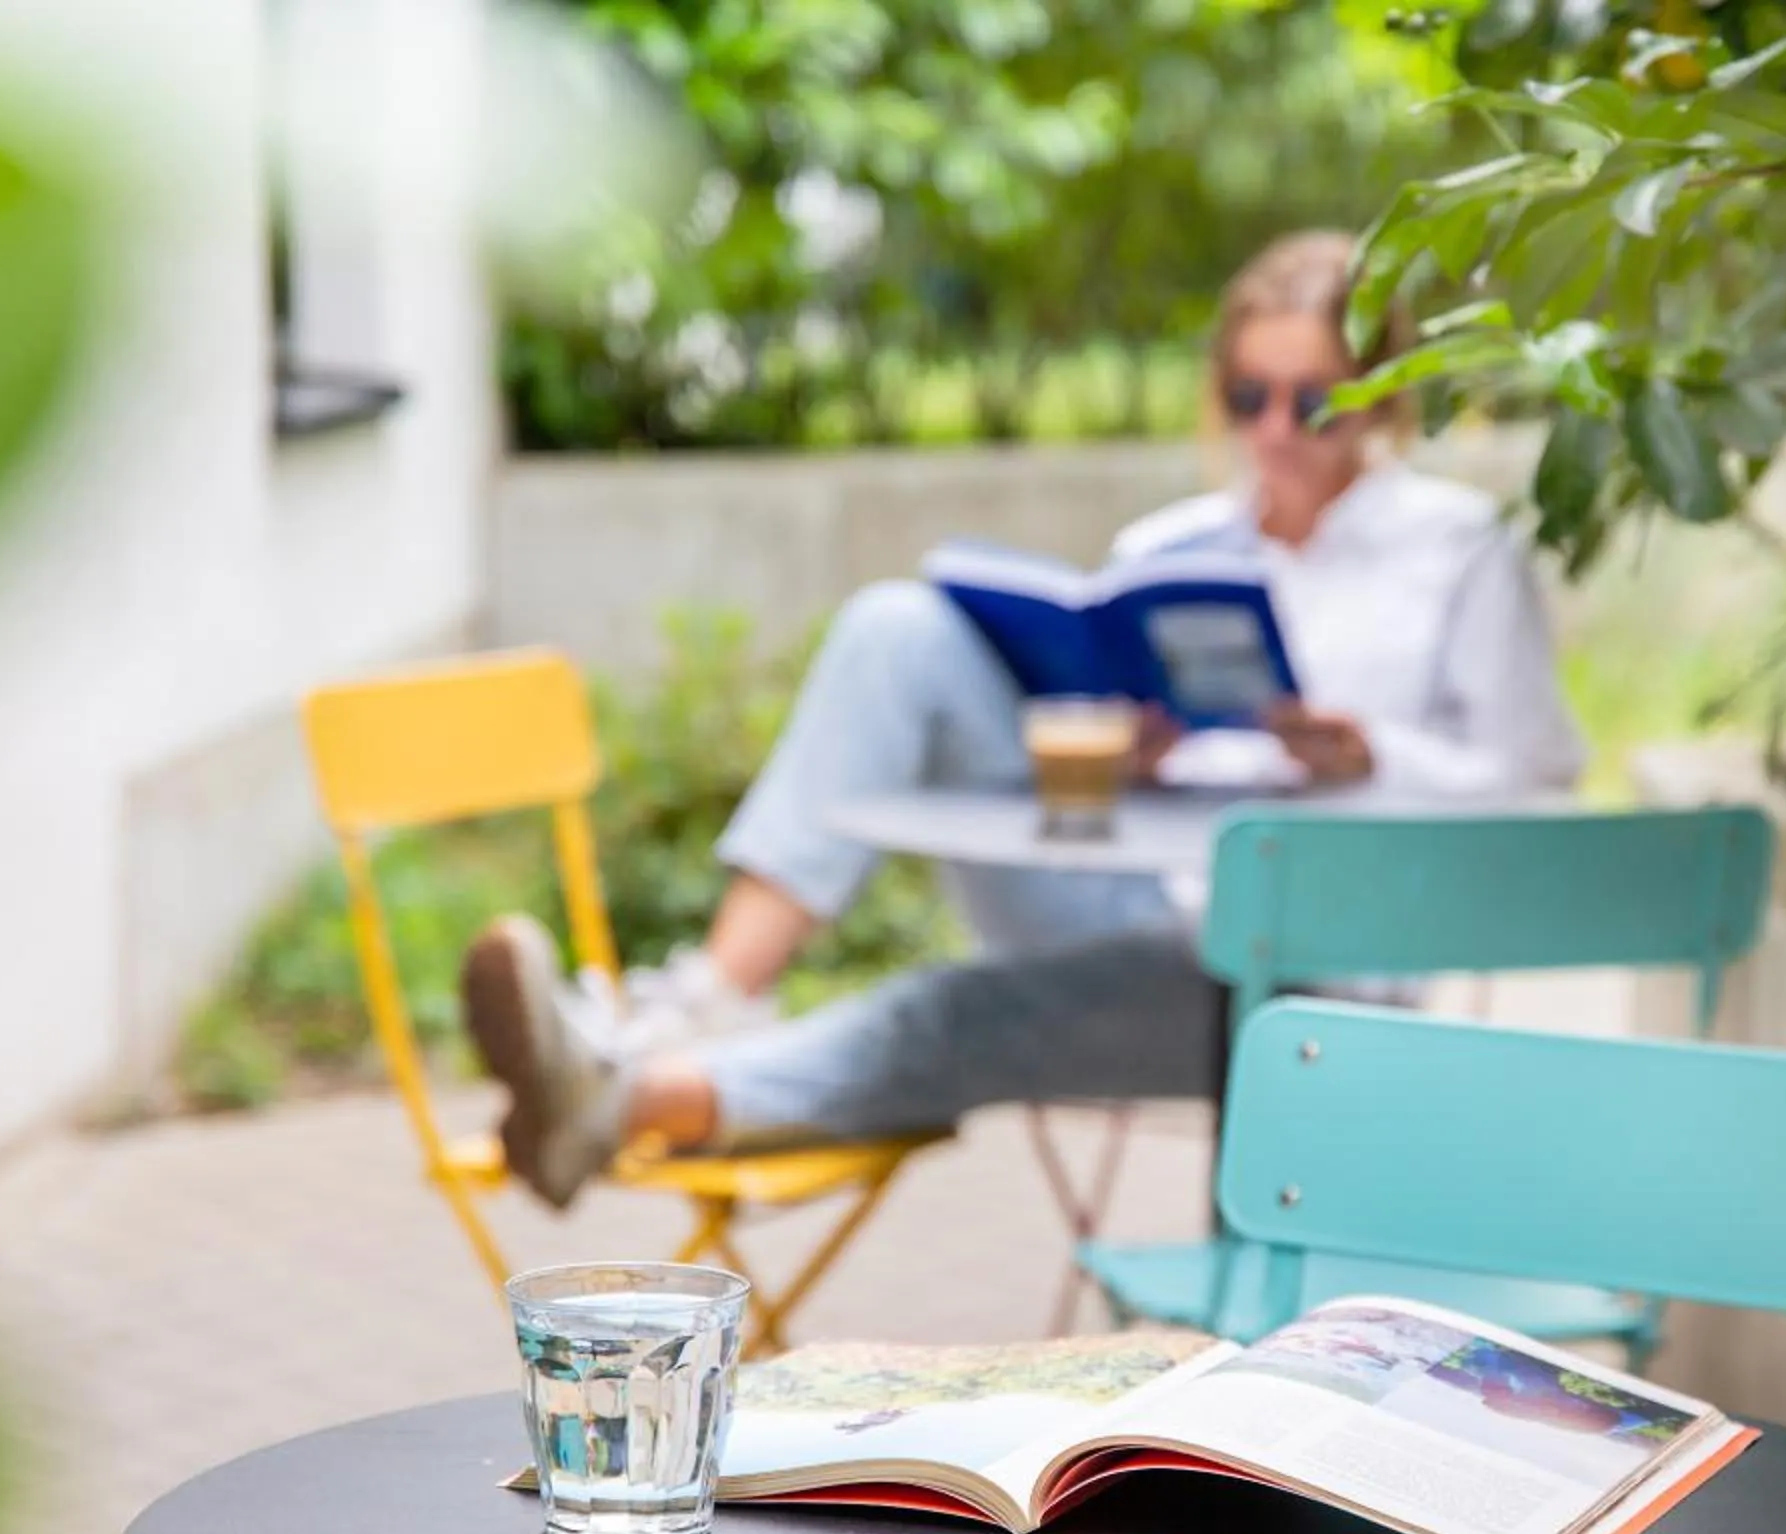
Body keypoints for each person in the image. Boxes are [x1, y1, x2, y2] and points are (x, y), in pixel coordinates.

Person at [461, 229, 1588, 1208]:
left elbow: (1539, 778)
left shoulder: (1457, 549)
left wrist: (1367, 753)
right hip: (1128, 891)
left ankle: (612, 1095)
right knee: (898, 625)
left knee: (958, 1011)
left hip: (1308, 966)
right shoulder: (1169, 549)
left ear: (1380, 395)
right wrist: (1127, 750)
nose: (1277, 431)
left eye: (1314, 401)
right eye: (1251, 397)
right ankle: (705, 999)